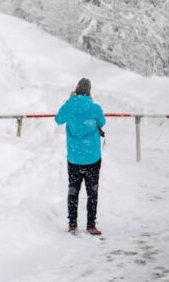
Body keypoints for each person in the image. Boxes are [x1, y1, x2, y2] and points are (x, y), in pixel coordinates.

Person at [55, 77, 106, 235]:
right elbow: (102, 122)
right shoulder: (94, 107)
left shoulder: (69, 106)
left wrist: (71, 100)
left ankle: (72, 224)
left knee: (73, 190)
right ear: (89, 92)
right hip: (92, 158)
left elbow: (58, 119)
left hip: (74, 158)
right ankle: (91, 225)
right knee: (92, 192)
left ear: (76, 90)